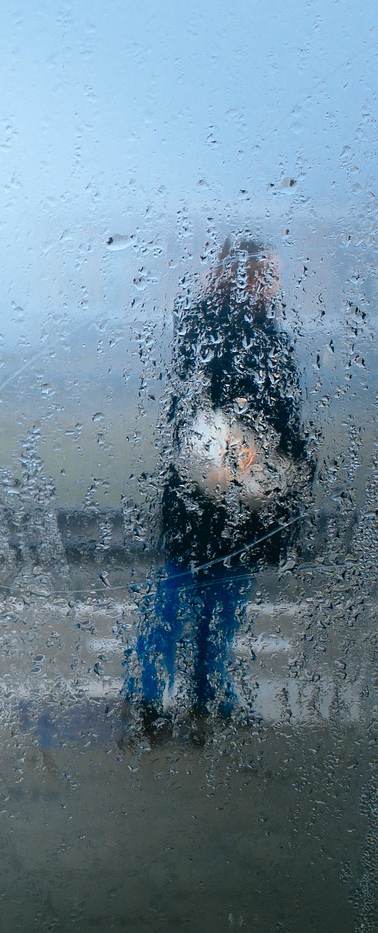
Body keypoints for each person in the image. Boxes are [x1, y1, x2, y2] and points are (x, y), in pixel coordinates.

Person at [126, 235, 312, 730]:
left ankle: (201, 695)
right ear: (242, 275)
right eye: (267, 273)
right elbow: (206, 406)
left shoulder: (261, 334)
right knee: (183, 592)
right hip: (209, 488)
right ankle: (156, 696)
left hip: (234, 492)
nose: (276, 283)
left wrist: (291, 461)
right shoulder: (213, 328)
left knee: (217, 599)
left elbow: (282, 412)